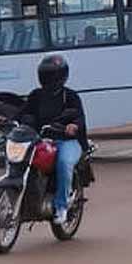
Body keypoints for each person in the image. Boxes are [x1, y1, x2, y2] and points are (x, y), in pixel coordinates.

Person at [11, 54, 88, 225]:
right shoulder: (36, 95)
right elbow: (23, 112)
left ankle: (61, 206)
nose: (49, 79)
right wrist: (8, 120)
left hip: (67, 142)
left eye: (52, 75)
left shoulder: (70, 96)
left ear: (62, 77)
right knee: (21, 159)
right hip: (40, 140)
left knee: (64, 163)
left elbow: (79, 118)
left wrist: (73, 126)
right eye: (46, 75)